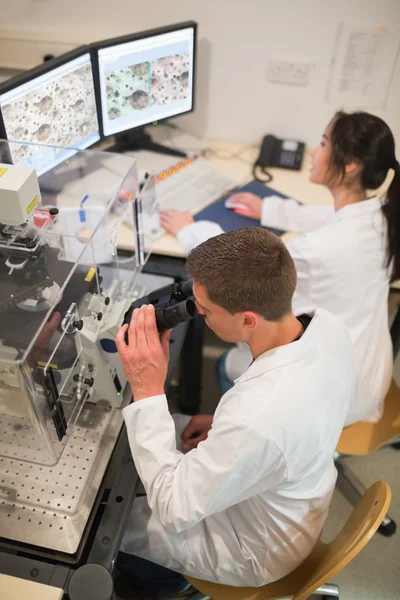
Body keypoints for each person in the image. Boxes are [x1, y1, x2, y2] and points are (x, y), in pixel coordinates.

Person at [115, 228, 356, 592]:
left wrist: (147, 389)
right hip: (293, 493)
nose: (200, 316)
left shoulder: (258, 417)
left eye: (206, 310)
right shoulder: (328, 327)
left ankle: (158, 586)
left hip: (254, 550)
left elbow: (171, 507)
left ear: (247, 319)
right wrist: (226, 430)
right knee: (177, 432)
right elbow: (293, 416)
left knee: (114, 523)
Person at [160, 111, 400, 426]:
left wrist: (188, 229)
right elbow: (328, 217)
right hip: (370, 374)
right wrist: (272, 210)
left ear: (351, 163)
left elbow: (235, 263)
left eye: (324, 143)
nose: (314, 153)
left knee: (228, 363)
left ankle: (246, 434)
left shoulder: (317, 251)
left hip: (335, 396)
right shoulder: (383, 217)